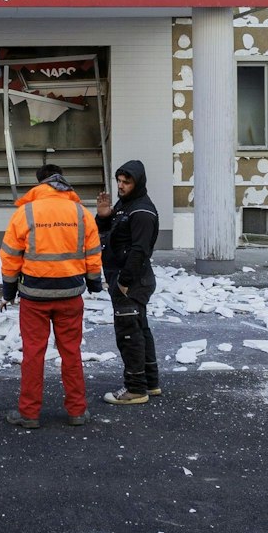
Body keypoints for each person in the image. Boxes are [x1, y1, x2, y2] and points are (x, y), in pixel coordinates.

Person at [0, 164, 103, 428]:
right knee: (71, 352)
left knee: (33, 353)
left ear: (39, 185)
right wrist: (94, 282)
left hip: (34, 296)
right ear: (63, 183)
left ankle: (29, 414)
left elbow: (10, 255)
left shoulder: (26, 212)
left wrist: (8, 290)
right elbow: (93, 250)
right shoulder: (80, 212)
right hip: (70, 294)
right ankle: (77, 411)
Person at [95, 161, 160, 406]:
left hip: (131, 280)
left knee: (129, 335)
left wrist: (124, 281)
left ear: (138, 182)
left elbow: (140, 249)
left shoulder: (141, 211)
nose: (121, 186)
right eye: (119, 181)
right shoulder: (126, 205)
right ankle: (149, 383)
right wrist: (103, 217)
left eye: (127, 182)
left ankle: (135, 388)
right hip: (127, 278)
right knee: (139, 329)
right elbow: (113, 236)